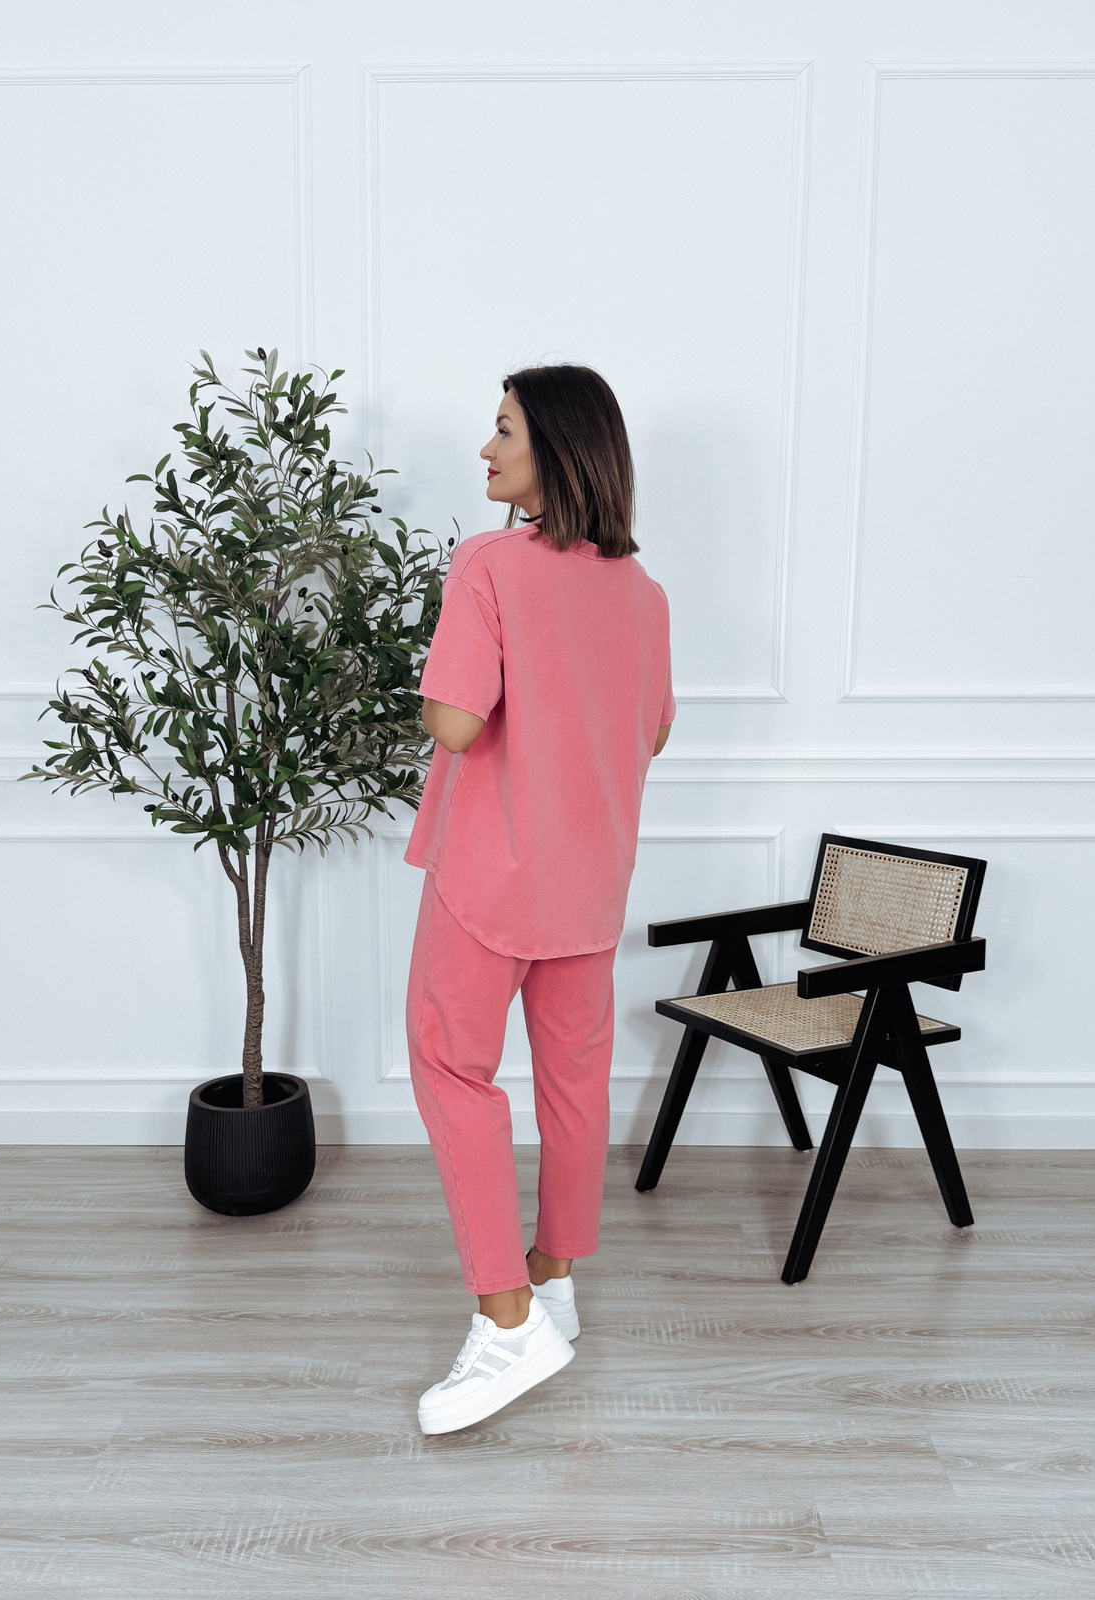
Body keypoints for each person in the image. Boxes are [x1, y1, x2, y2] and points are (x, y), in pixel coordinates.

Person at [403, 363, 675, 1435]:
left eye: (505, 429)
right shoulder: (643, 594)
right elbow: (654, 730)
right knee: (573, 1085)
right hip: (590, 885)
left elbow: (455, 722)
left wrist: (443, 671)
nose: (486, 448)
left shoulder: (490, 563)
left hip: (491, 877)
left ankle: (507, 1319)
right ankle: (554, 1278)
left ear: (556, 448)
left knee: (451, 1070)